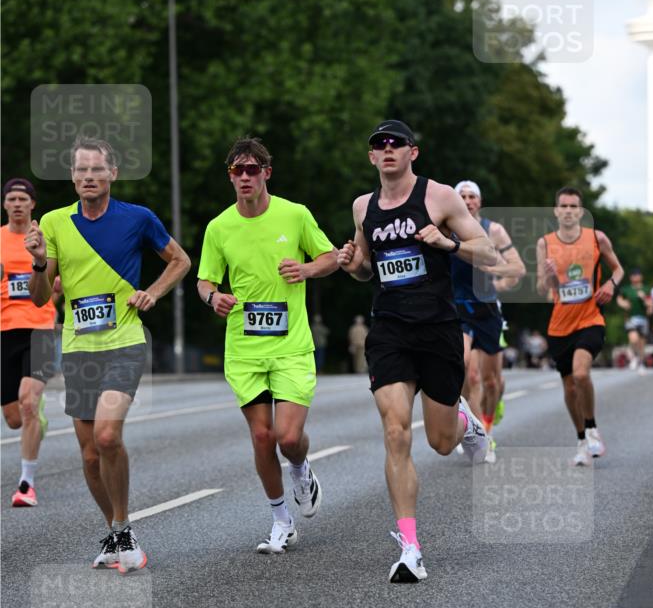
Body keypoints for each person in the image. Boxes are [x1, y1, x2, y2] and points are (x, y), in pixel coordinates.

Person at [337, 119, 495, 583]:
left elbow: (485, 251)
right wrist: (353, 265)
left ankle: (466, 422)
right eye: (378, 145)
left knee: (441, 442)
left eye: (395, 144)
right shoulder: (362, 205)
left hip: (437, 328)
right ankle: (410, 546)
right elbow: (369, 269)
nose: (386, 150)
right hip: (389, 330)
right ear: (371, 157)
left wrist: (446, 243)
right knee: (396, 430)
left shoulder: (439, 197)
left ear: (412, 153)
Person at [26, 136, 190, 571]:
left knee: (107, 436)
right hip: (79, 348)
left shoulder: (138, 218)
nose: (88, 178)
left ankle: (123, 527)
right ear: (73, 177)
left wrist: (152, 293)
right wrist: (40, 262)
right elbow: (41, 298)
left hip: (125, 343)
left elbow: (179, 260)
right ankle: (117, 533)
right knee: (88, 455)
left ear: (113, 174)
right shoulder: (56, 222)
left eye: (97, 170)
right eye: (81, 171)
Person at [197, 136, 338, 556]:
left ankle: (301, 469)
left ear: (266, 174)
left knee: (288, 437)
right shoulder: (219, 227)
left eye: (251, 169)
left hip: (291, 345)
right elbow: (204, 280)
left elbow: (331, 257)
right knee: (262, 437)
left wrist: (307, 268)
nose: (244, 177)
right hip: (243, 348)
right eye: (237, 170)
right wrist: (212, 297)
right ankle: (281, 521)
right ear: (230, 176)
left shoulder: (294, 215)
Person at [536, 186, 623, 467]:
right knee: (570, 388)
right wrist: (548, 277)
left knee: (581, 374)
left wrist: (611, 283)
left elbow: (618, 269)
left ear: (581, 211)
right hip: (560, 325)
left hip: (590, 319)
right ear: (556, 211)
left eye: (574, 206)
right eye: (564, 206)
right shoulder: (545, 243)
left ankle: (593, 428)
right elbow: (541, 289)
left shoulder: (597, 238)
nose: (569, 211)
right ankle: (582, 439)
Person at [450, 180, 526, 463]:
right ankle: (477, 432)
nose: (468, 200)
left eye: (472, 196)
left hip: (487, 311)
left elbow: (518, 268)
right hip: (458, 309)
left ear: (479, 202)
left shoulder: (493, 229)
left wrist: (494, 273)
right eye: (462, 196)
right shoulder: (448, 228)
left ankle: (489, 426)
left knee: (492, 382)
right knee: (467, 371)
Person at [1, 178, 57, 506]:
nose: (18, 203)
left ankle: (26, 485)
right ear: (5, 205)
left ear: (33, 204)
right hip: (5, 330)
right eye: (12, 199)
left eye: (24, 198)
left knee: (27, 402)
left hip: (40, 329)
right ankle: (37, 417)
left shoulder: (44, 239)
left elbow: (58, 276)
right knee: (13, 417)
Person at [617, 268, 651, 372]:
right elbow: (619, 299)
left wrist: (643, 298)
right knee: (633, 339)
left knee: (642, 344)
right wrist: (624, 304)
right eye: (633, 275)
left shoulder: (646, 289)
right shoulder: (626, 289)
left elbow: (650, 304)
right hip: (630, 318)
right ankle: (635, 358)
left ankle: (641, 363)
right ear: (630, 277)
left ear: (641, 277)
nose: (635, 277)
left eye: (637, 275)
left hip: (643, 319)